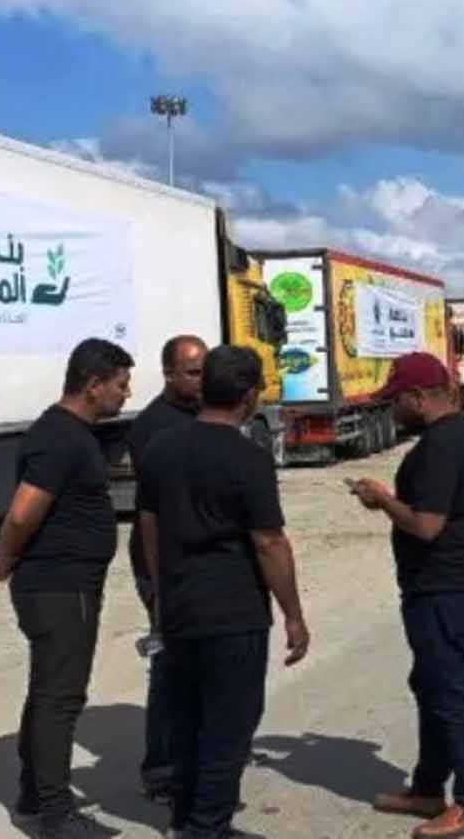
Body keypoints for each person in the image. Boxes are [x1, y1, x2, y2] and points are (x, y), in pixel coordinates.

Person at [136, 346, 308, 839]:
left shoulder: (162, 449)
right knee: (228, 727)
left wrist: (161, 593)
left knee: (187, 719)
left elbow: (149, 526)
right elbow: (269, 542)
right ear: (248, 395)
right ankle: (206, 827)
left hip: (180, 607)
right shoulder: (248, 459)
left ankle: (185, 816)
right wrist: (293, 614)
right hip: (233, 613)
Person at [0, 338, 133, 839]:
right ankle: (55, 814)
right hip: (59, 585)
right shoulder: (59, 437)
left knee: (48, 691)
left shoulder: (72, 434)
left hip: (68, 583)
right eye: (120, 384)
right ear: (93, 386)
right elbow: (23, 512)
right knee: (60, 697)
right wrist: (6, 556)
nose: (126, 393)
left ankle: (34, 795)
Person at [352, 353, 464, 838]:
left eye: (395, 400)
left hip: (443, 587)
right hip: (455, 583)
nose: (391, 409)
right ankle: (428, 788)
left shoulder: (440, 447)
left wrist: (382, 500)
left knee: (451, 691)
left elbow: (426, 525)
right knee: (431, 684)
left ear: (418, 398)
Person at [126, 335, 207, 804]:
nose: (201, 380)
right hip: (161, 564)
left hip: (193, 562)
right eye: (193, 373)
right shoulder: (154, 427)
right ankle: (161, 770)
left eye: (205, 371)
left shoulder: (202, 416)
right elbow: (162, 508)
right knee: (170, 664)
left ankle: (190, 759)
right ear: (169, 374)